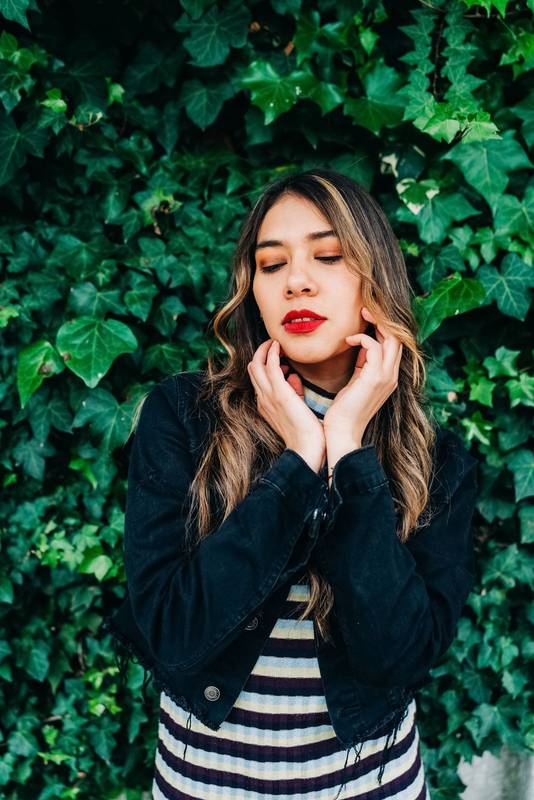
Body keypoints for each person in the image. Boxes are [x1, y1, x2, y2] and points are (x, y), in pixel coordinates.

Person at [103, 168, 479, 799]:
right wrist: (300, 462)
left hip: (369, 787)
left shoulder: (433, 459)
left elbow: (397, 655)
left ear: (374, 278)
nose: (296, 280)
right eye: (271, 265)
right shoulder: (182, 418)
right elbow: (173, 630)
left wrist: (350, 453)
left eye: (328, 255)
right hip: (205, 786)